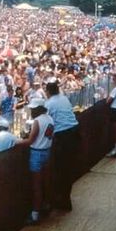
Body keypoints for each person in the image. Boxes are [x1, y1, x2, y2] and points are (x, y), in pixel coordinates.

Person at [44, 81, 79, 211]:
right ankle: (65, 199)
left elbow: (45, 122)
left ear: (48, 92)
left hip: (63, 137)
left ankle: (62, 200)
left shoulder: (49, 103)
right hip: (74, 132)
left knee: (60, 169)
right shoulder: (64, 98)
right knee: (67, 168)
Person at [22, 101, 54, 224]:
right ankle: (46, 205)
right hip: (47, 152)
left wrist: (16, 142)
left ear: (38, 109)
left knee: (37, 185)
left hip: (37, 153)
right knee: (46, 182)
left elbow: (31, 140)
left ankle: (35, 214)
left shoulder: (38, 121)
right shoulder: (50, 118)